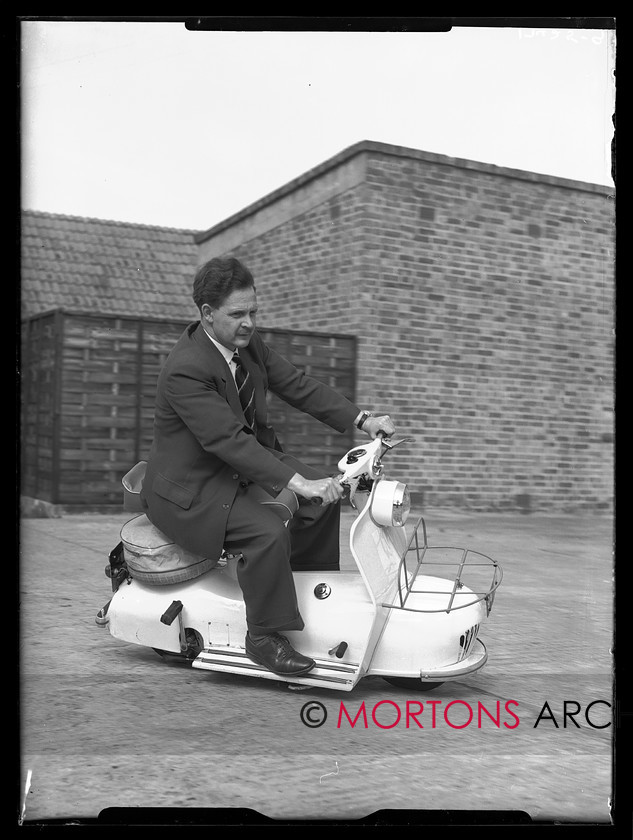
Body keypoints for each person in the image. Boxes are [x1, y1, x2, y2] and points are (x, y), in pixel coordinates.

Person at [140, 256, 395, 677]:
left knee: (323, 501)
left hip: (237, 464)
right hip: (194, 487)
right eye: (237, 314)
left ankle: (305, 598)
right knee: (265, 529)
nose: (249, 323)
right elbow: (226, 439)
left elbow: (297, 385)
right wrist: (298, 483)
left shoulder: (246, 345)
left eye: (253, 311)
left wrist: (363, 419)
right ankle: (262, 636)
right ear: (206, 314)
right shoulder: (186, 369)